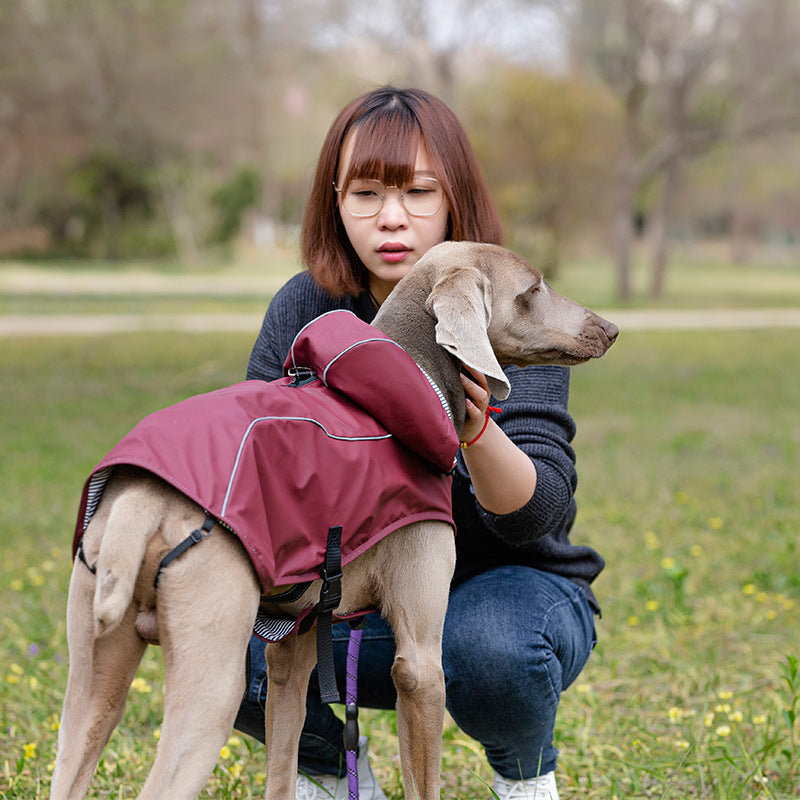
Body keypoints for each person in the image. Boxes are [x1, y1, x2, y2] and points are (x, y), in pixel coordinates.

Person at [234, 86, 602, 800]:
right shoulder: (306, 307)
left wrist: (473, 426)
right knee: (224, 636)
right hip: (343, 596)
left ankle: (523, 779)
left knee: (495, 653)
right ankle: (335, 773)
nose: (392, 217)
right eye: (367, 192)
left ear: (454, 197)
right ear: (334, 200)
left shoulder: (509, 305)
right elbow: (255, 477)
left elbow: (536, 517)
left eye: (418, 192)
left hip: (499, 589)